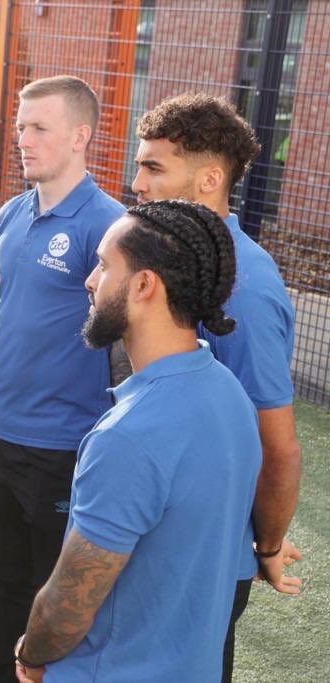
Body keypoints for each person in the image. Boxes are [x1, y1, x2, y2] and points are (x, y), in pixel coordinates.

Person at [13, 200, 301, 683]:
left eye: (105, 266)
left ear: (144, 285)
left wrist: (31, 652)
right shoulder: (228, 393)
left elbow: (68, 604)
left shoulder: (127, 437)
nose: (90, 280)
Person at [132, 92, 303, 681]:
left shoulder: (246, 288)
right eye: (139, 164)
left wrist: (269, 546)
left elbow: (277, 445)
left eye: (154, 167)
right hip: (145, 530)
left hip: (200, 556)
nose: (137, 182)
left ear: (209, 178)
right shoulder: (165, 256)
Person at [0, 75, 125, 683]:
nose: (23, 139)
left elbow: (123, 345)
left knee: (56, 598)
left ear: (80, 136)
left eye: (39, 128)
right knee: (3, 585)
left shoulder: (109, 226)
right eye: (20, 126)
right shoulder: (13, 211)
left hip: (61, 448)